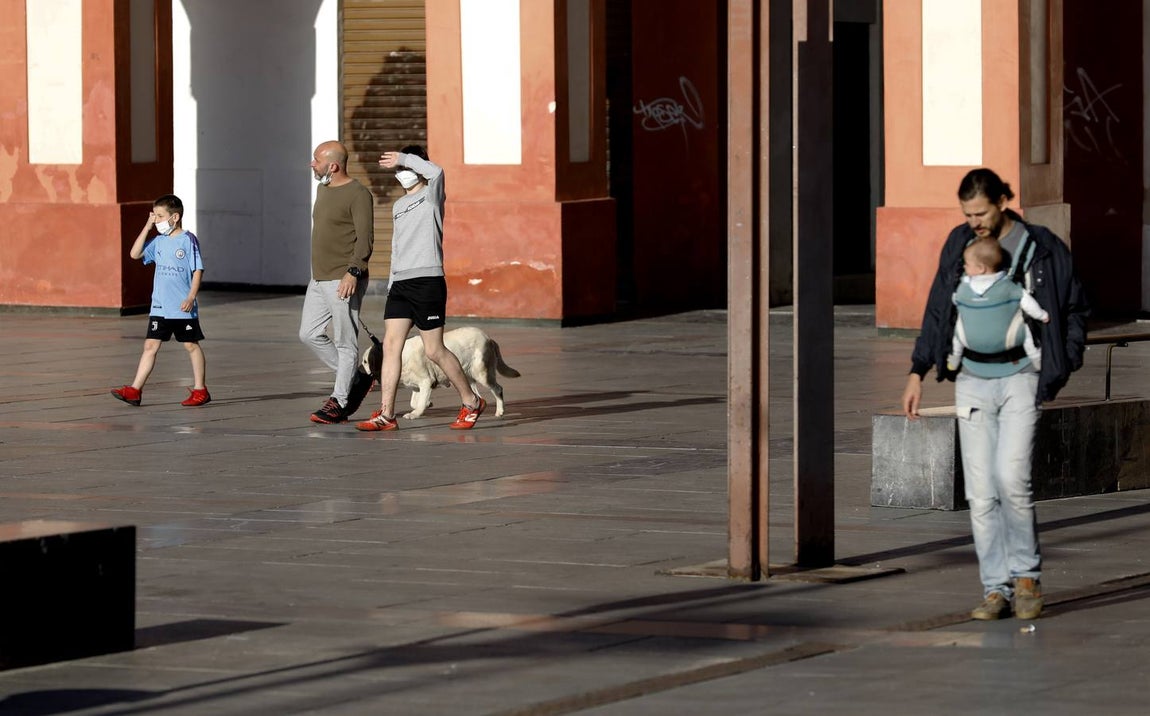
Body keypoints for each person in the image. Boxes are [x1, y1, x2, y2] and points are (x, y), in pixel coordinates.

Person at [901, 168, 1089, 621]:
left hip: (1023, 378)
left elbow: (1074, 307)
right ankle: (995, 589)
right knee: (981, 492)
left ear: (1003, 201)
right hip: (971, 381)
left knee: (1012, 480)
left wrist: (1062, 362)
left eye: (981, 212)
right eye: (967, 214)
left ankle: (1026, 579)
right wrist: (917, 370)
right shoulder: (958, 244)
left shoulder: (1041, 246)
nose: (974, 222)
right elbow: (938, 307)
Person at [356, 145, 487, 431]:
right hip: (400, 284)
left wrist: (403, 158)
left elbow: (438, 171)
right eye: (399, 170)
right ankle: (386, 415)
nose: (402, 173)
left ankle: (471, 401)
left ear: (418, 167)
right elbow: (396, 247)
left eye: (406, 168)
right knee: (391, 346)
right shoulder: (398, 206)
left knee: (434, 350)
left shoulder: (432, 195)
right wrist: (392, 282)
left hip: (427, 282)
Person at [301, 140, 375, 424]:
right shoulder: (322, 189)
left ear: (333, 165)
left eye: (316, 160)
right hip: (319, 277)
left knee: (346, 343)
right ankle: (356, 378)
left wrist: (353, 272)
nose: (312, 164)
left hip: (343, 278)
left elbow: (365, 237)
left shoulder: (358, 194)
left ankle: (340, 401)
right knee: (308, 333)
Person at [111, 195, 210, 407]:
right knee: (150, 345)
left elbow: (197, 270)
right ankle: (134, 390)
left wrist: (191, 297)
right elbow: (135, 254)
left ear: (175, 217)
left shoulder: (188, 240)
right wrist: (147, 227)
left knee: (191, 345)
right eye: (154, 215)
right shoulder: (158, 242)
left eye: (160, 216)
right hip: (159, 306)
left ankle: (200, 389)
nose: (157, 220)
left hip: (182, 306)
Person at [947, 237, 1049, 374]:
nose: (964, 267)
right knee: (1026, 331)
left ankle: (955, 358)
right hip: (1008, 340)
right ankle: (1036, 358)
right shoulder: (1008, 287)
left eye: (967, 264)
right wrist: (1042, 315)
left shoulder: (963, 289)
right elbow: (1027, 302)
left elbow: (954, 301)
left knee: (958, 329)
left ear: (981, 268)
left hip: (969, 340)